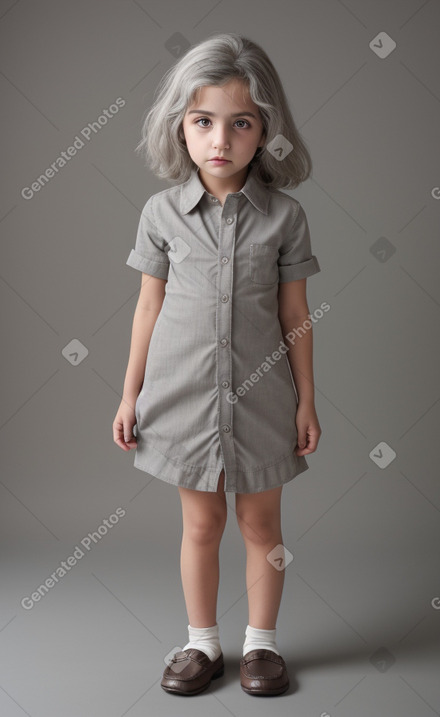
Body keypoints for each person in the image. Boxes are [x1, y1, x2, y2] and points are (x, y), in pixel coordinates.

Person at [112, 32, 322, 697]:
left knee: (262, 525)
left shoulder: (286, 218)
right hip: (182, 399)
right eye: (203, 121)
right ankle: (202, 643)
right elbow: (148, 309)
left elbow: (296, 317)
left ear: (266, 130)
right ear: (181, 124)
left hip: (263, 400)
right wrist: (128, 394)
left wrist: (306, 399)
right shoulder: (160, 215)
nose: (220, 139)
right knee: (200, 524)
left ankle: (262, 645)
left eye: (241, 122)